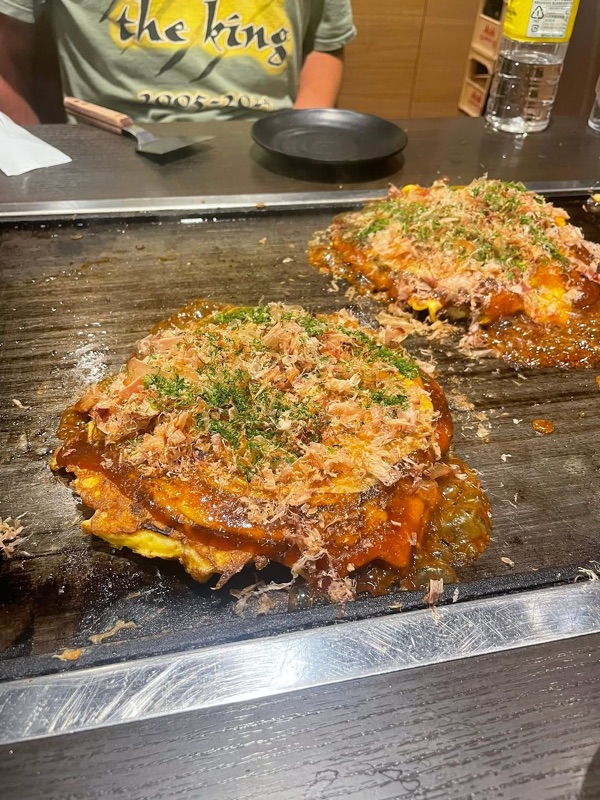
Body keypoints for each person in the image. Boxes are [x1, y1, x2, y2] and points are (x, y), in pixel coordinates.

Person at [0, 1, 356, 124]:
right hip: (113, 148)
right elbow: (6, 64)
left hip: (265, 146)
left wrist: (302, 139)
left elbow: (326, 43)